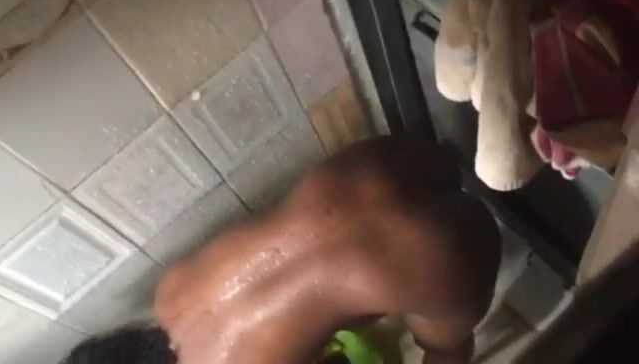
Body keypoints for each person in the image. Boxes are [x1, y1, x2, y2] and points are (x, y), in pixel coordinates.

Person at [61, 136, 502, 364]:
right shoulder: (169, 292)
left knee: (445, 353)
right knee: (480, 157)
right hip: (377, 164)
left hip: (436, 256)